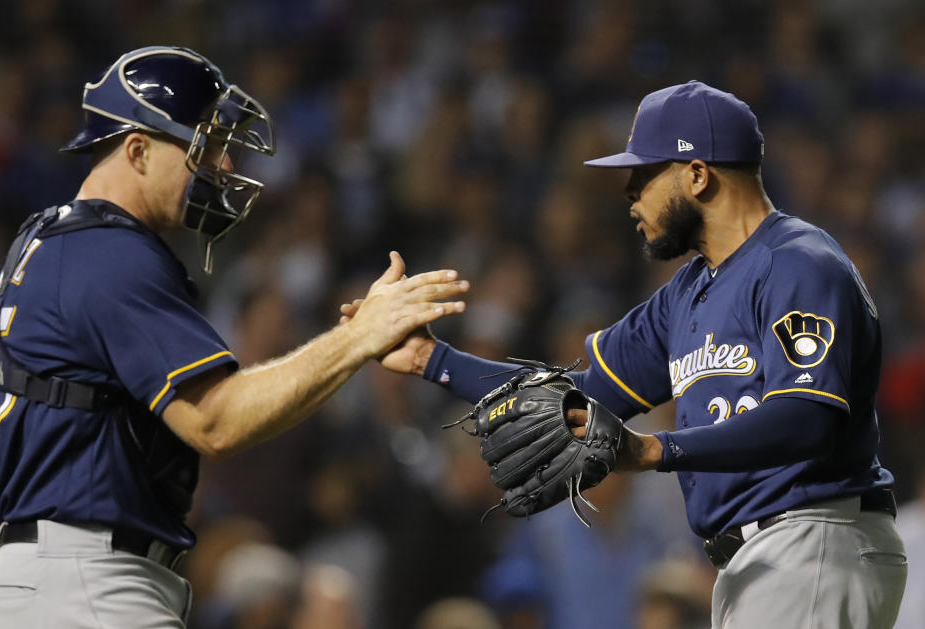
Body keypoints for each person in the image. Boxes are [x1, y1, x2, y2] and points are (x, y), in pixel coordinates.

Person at [344, 81, 908, 628]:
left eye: (643, 175)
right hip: (761, 558)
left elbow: (809, 416)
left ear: (697, 175)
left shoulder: (797, 263)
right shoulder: (686, 294)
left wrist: (657, 450)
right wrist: (428, 358)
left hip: (812, 540)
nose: (628, 193)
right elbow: (575, 397)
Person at [0, 46, 469, 628]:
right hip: (87, 578)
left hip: (59, 572)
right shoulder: (109, 254)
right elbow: (216, 420)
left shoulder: (53, 240)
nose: (226, 165)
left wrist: (351, 344)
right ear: (136, 150)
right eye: (203, 146)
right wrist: (359, 339)